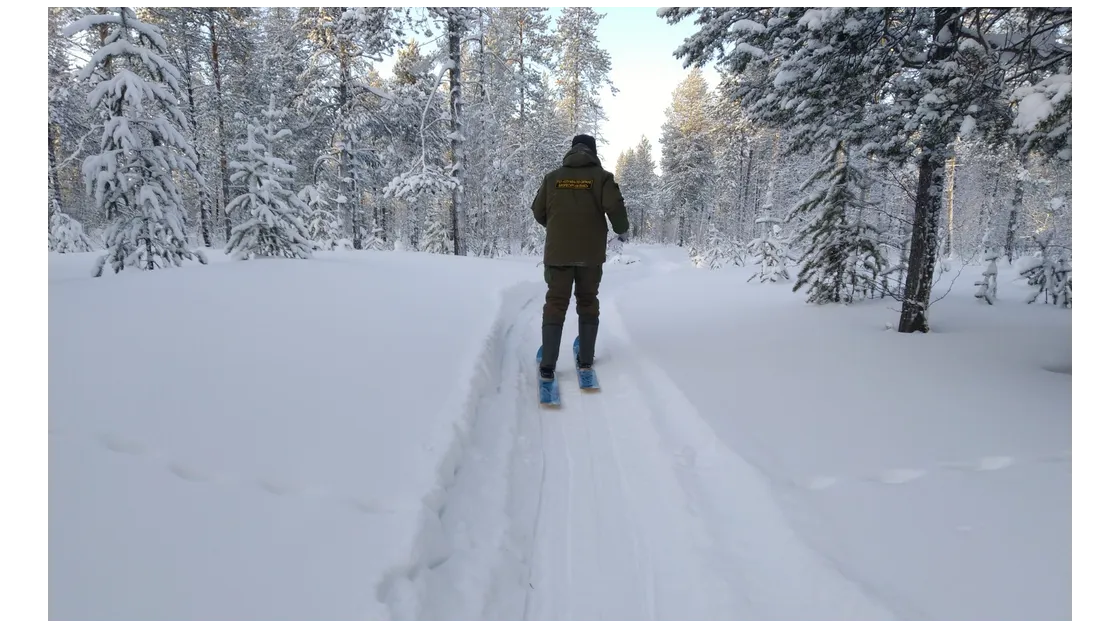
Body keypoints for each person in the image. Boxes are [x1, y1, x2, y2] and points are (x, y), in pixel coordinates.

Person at [531, 134, 630, 382]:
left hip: (558, 254)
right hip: (590, 256)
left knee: (555, 304)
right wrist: (620, 228)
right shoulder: (603, 178)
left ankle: (548, 365)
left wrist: (557, 227)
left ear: (572, 150)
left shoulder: (553, 178)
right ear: (593, 152)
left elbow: (538, 211)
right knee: (587, 302)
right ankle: (586, 359)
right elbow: (616, 211)